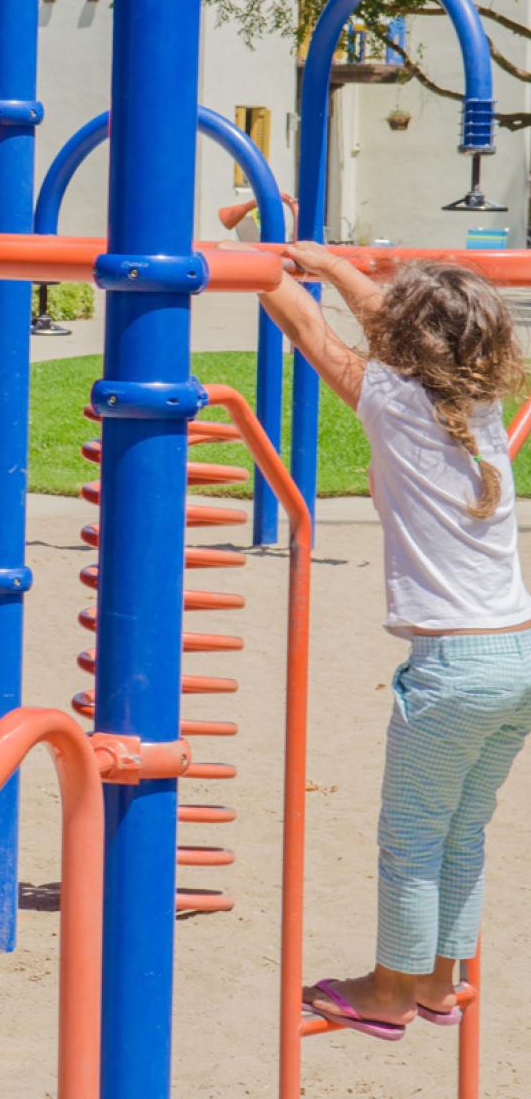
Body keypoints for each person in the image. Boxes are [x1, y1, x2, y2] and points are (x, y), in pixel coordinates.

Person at [257, 242, 531, 1040]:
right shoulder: (475, 404)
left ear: (406, 344)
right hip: (516, 657)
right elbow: (379, 322)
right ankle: (442, 982)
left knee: (410, 837)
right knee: (461, 829)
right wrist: (336, 266)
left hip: (452, 669)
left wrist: (267, 257)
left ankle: (387, 992)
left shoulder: (393, 402)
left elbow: (309, 330)